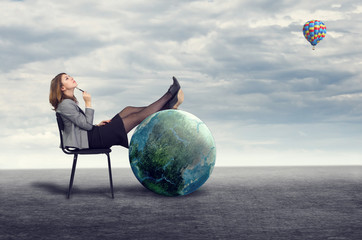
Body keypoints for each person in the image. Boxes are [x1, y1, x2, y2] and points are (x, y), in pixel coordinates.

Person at [49, 73, 184, 149]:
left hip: (93, 135)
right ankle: (169, 96)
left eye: (69, 76)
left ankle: (167, 107)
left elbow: (81, 125)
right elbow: (86, 125)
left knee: (128, 110)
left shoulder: (68, 103)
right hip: (93, 140)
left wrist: (97, 125)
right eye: (67, 79)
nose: (71, 78)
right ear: (61, 88)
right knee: (136, 117)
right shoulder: (65, 105)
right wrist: (88, 103)